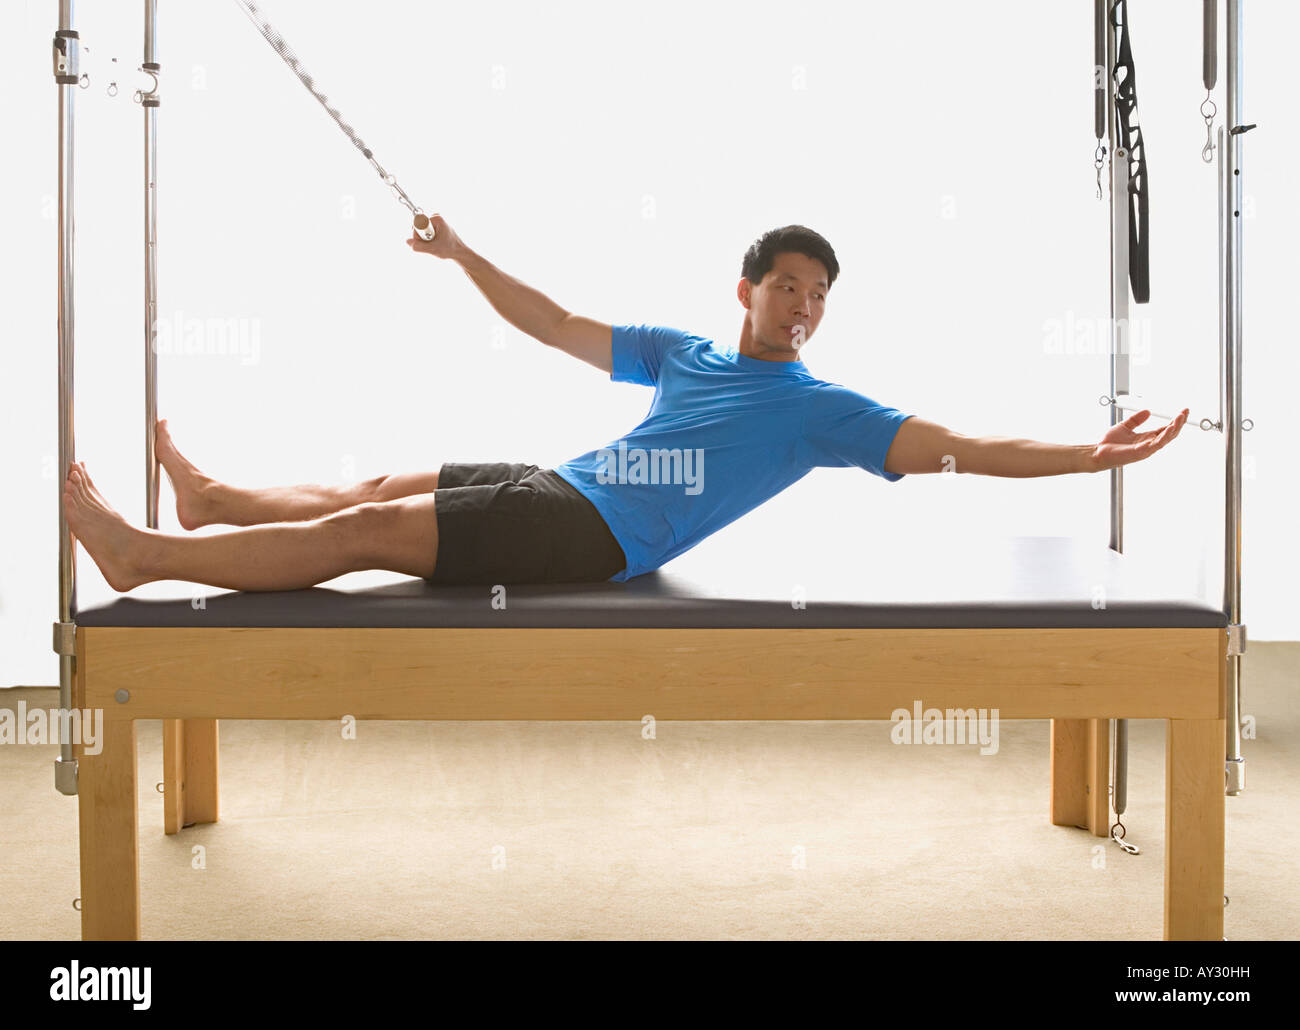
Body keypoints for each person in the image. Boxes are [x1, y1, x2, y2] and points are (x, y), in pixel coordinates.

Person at [64, 219, 1189, 593]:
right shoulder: (687, 350)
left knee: (363, 536)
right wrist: (461, 255)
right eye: (787, 286)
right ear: (745, 290)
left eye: (820, 297)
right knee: (370, 485)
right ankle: (211, 500)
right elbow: (553, 321)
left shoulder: (817, 409)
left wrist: (1088, 458)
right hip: (563, 483)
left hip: (592, 533)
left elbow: (961, 446)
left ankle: (142, 555)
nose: (803, 307)